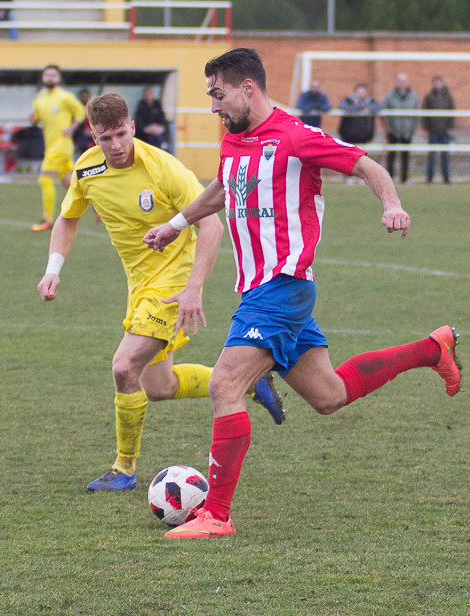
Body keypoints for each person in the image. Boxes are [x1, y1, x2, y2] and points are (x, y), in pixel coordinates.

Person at [143, 48, 461, 539]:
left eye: (218, 94)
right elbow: (223, 188)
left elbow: (366, 165)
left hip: (283, 286)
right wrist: (176, 223)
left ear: (248, 88)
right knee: (329, 395)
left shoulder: (295, 136)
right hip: (260, 289)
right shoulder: (234, 138)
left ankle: (217, 515)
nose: (213, 105)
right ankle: (432, 349)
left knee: (224, 384)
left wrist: (392, 203)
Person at [38, 92, 285, 493]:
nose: (116, 145)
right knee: (159, 387)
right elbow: (67, 219)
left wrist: (193, 287)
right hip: (138, 286)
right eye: (106, 138)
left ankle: (124, 468)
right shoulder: (87, 169)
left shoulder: (164, 168)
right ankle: (249, 380)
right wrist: (53, 269)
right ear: (93, 137)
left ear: (133, 127)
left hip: (172, 284)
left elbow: (212, 225)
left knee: (124, 367)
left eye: (122, 134)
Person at [29, 64, 85, 232]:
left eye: (53, 75)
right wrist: (33, 120)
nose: (50, 78)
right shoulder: (39, 97)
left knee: (45, 178)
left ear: (59, 78)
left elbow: (81, 112)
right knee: (71, 182)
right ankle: (101, 208)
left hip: (61, 145)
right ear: (43, 78)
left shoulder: (65, 97)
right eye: (47, 75)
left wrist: (72, 128)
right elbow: (37, 120)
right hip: (51, 145)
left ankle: (47, 220)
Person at [381, 72, 420, 184]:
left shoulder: (413, 96)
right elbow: (384, 111)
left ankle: (405, 178)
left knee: (406, 155)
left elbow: (417, 112)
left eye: (404, 81)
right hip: (393, 129)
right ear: (397, 82)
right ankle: (389, 178)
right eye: (400, 81)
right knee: (391, 155)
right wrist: (387, 128)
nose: (402, 83)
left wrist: (413, 128)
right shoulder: (390, 95)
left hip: (407, 130)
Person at [421, 75, 455, 184]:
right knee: (432, 155)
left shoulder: (448, 97)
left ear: (442, 83)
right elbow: (425, 114)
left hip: (445, 130)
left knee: (445, 156)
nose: (437, 85)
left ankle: (446, 178)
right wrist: (426, 129)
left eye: (438, 83)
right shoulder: (429, 97)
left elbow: (452, 112)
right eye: (435, 83)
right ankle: (429, 178)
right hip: (433, 130)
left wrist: (450, 127)